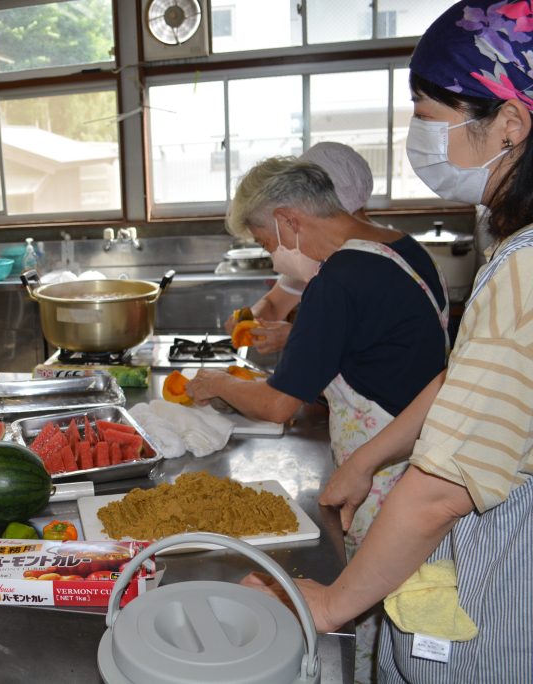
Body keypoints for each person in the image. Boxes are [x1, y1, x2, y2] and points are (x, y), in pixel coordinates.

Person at [246, 2, 533, 682]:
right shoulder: (512, 250)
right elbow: (466, 381)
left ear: (509, 125)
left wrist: (329, 604)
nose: (418, 135)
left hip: (493, 605)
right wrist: (368, 459)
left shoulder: (526, 266)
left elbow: (442, 491)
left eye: (427, 115)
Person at [186, 156, 449, 682]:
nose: (274, 256)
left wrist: (216, 383)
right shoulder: (402, 246)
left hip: (383, 480)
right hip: (429, 448)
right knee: (416, 597)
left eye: (266, 241)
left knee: (382, 606)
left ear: (287, 221)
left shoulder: (338, 282)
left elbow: (280, 403)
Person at [223, 142, 375, 354]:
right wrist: (252, 317)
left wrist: (295, 337)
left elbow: (377, 343)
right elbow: (275, 304)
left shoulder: (376, 261)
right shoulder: (312, 254)